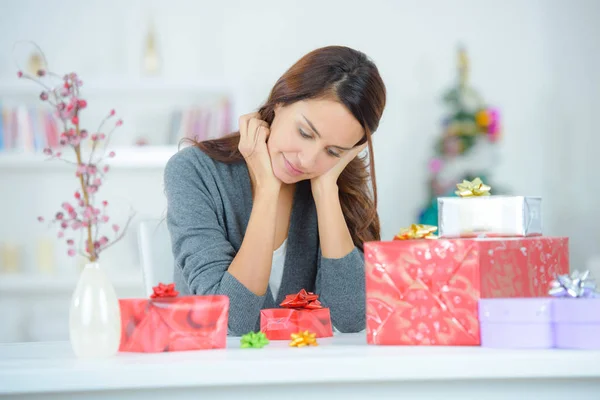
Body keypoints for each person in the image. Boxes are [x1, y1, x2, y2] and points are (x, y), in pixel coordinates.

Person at [164, 45, 386, 335]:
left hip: (296, 373)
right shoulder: (193, 171)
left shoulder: (335, 181)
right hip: (211, 372)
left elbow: (352, 318)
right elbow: (235, 323)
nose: (308, 160)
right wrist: (268, 188)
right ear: (280, 101)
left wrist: (326, 190)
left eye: (333, 151)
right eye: (305, 133)